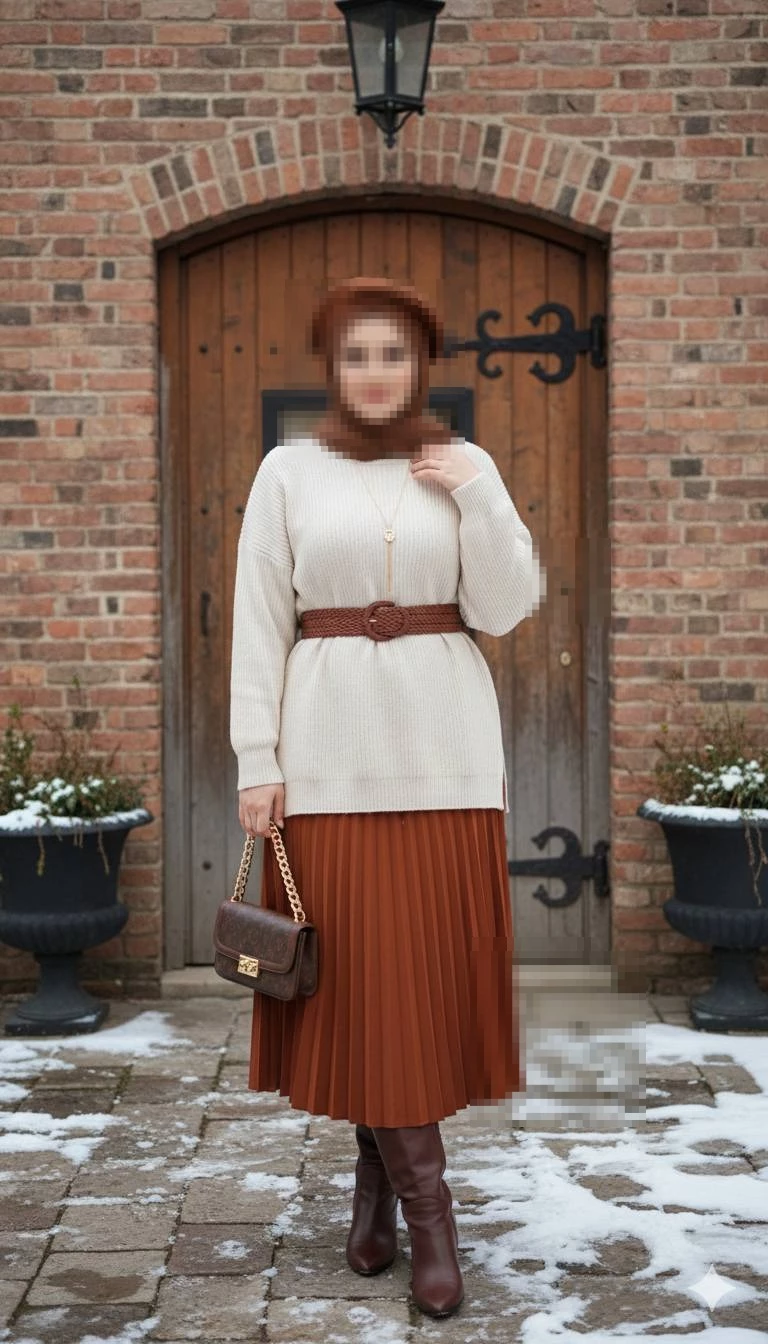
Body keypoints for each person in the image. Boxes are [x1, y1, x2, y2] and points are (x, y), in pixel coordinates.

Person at [229, 276, 544, 1319]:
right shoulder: (287, 471)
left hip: (447, 762)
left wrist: (479, 493)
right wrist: (257, 758)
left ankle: (385, 1193)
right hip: (327, 767)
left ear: (421, 367)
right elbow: (259, 620)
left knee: (416, 989)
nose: (375, 373)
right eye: (356, 354)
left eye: (394, 355)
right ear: (333, 366)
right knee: (362, 989)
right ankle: (426, 1211)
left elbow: (503, 608)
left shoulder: (463, 465)